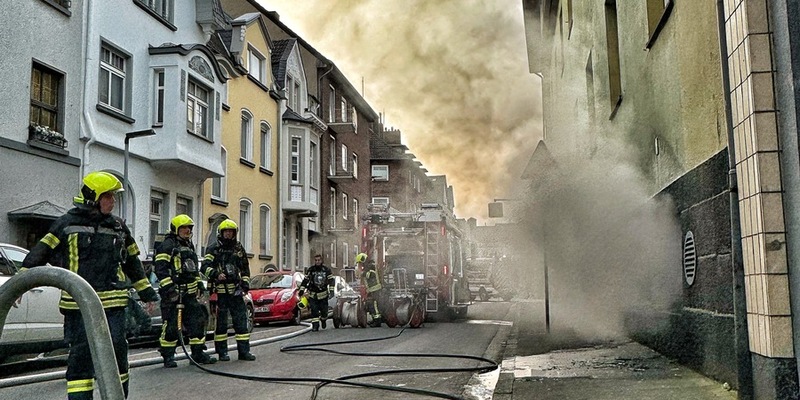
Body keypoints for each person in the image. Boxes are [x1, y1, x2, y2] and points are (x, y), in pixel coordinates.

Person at [20, 171, 159, 400]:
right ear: (93, 197)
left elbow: (133, 262)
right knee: (81, 357)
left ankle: (117, 396)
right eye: (109, 197)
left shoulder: (118, 227)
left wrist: (147, 294)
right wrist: (20, 283)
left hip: (113, 303)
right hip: (79, 305)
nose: (113, 202)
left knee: (117, 351)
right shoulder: (66, 224)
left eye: (114, 197)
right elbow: (40, 252)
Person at [154, 214, 216, 367]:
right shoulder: (167, 245)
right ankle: (168, 357)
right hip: (173, 294)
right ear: (176, 229)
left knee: (197, 321)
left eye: (189, 228)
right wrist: (170, 289)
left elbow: (193, 269)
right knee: (172, 325)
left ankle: (197, 354)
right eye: (183, 228)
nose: (187, 230)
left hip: (189, 294)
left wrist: (199, 284)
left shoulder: (189, 245)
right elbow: (161, 269)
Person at [202, 219, 255, 361]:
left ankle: (244, 352)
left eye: (231, 232)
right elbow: (205, 266)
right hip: (220, 292)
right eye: (226, 232)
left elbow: (245, 268)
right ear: (221, 233)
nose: (228, 234)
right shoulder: (213, 248)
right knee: (221, 324)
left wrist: (245, 284)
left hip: (235, 291)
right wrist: (215, 274)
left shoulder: (238, 249)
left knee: (241, 322)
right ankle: (222, 352)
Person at [298, 254, 334, 331]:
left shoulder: (327, 270)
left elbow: (331, 281)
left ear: (321, 261)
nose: (317, 262)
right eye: (316, 260)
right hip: (313, 295)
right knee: (314, 311)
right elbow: (305, 280)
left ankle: (323, 319)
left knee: (324, 312)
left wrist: (331, 291)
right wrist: (301, 290)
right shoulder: (311, 270)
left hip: (323, 295)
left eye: (319, 260)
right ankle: (315, 326)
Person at [359, 254, 383, 327]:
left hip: (375, 289)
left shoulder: (371, 265)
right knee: (370, 305)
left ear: (363, 260)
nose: (360, 264)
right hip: (371, 289)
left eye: (360, 262)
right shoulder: (368, 266)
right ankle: (374, 319)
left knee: (374, 305)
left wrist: (361, 273)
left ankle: (377, 322)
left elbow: (370, 275)